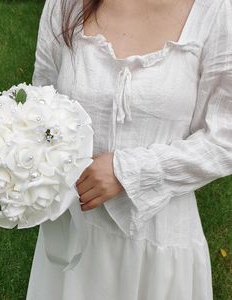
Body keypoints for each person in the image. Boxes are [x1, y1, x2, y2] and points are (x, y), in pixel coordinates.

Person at [26, 0, 232, 299]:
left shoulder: (215, 12)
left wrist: (129, 171)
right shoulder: (64, 5)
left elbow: (224, 139)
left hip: (157, 242)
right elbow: (40, 105)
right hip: (72, 236)